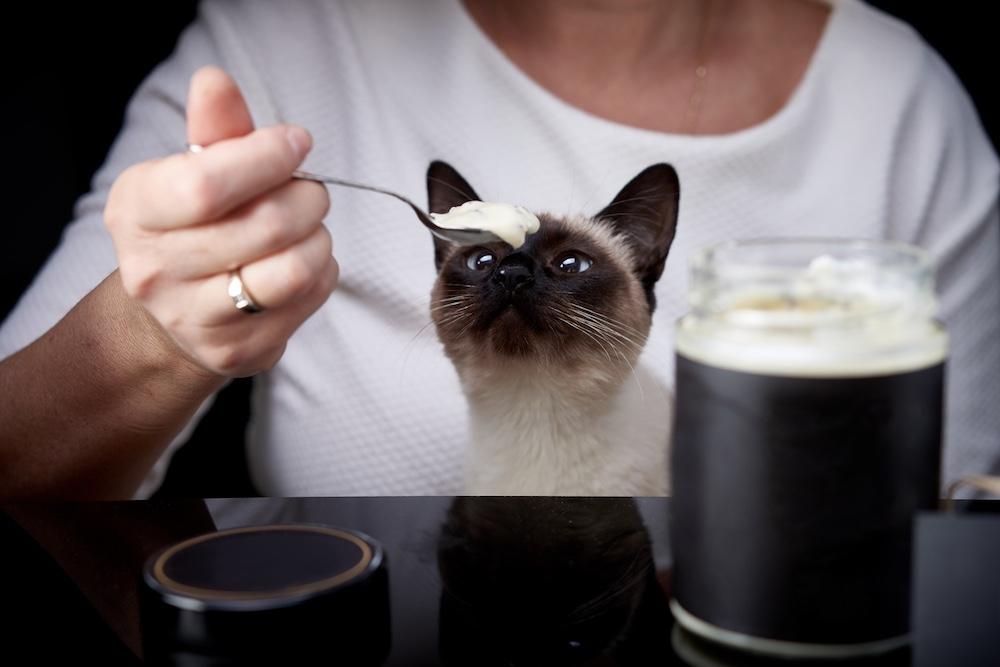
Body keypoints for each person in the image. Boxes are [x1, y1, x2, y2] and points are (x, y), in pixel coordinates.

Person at [1, 0, 997, 499]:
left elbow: (965, 528)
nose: (510, 276)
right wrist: (153, 333)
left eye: (568, 268)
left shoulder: (890, 100)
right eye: (474, 260)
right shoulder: (283, 36)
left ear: (646, 278)